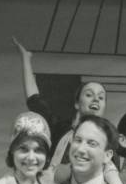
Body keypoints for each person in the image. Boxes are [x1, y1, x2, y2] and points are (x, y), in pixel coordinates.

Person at [13, 36, 106, 169]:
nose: (96, 99)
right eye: (89, 94)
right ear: (77, 104)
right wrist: (26, 58)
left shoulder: (107, 138)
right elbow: (34, 99)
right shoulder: (60, 128)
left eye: (101, 97)